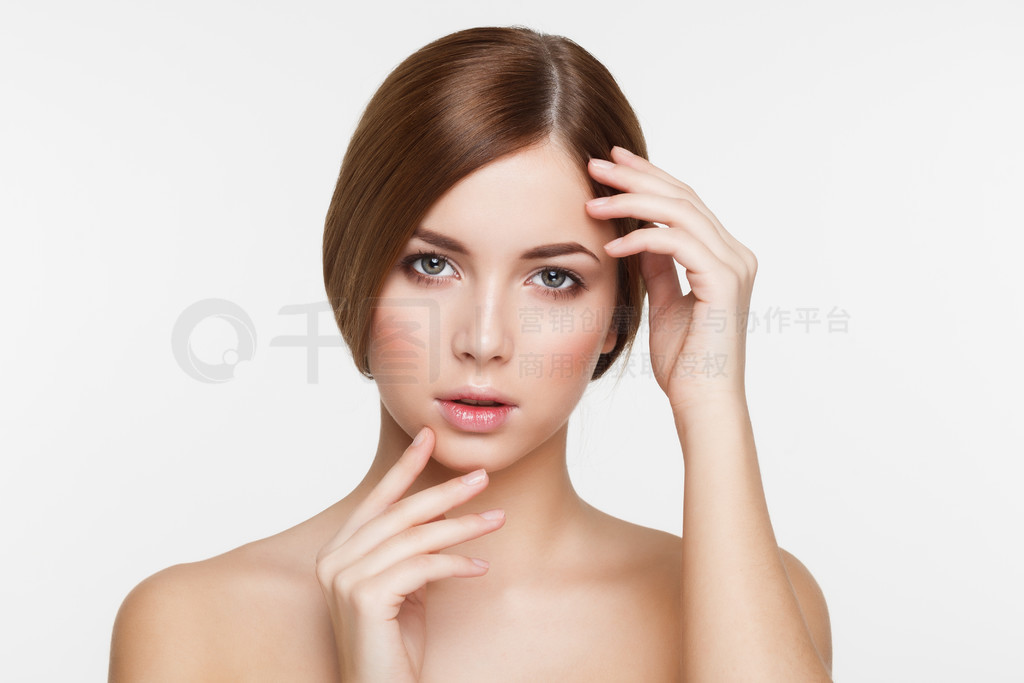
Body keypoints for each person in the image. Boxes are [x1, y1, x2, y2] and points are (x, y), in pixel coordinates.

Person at [108, 26, 832, 681]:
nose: (483, 341)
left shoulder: (759, 604)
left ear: (617, 315)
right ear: (355, 276)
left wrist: (709, 402)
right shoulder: (190, 625)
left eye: (554, 278)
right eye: (431, 266)